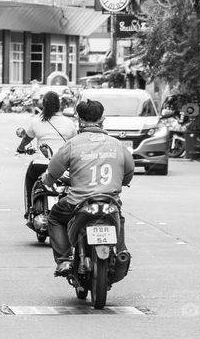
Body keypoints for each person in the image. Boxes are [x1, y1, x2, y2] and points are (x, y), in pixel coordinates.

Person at [41, 100, 134, 278]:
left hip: (78, 202)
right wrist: (121, 183)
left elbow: (53, 171)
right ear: (102, 119)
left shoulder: (73, 144)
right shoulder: (117, 145)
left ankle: (64, 259)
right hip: (110, 202)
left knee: (54, 218)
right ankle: (121, 250)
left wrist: (48, 179)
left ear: (79, 120)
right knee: (119, 216)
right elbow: (129, 171)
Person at [16, 90, 77, 223]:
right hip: (63, 167)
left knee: (30, 178)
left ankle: (30, 208)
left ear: (43, 105)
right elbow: (75, 142)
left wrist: (20, 148)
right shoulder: (69, 123)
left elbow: (27, 138)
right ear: (59, 105)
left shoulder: (36, 122)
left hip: (40, 165)